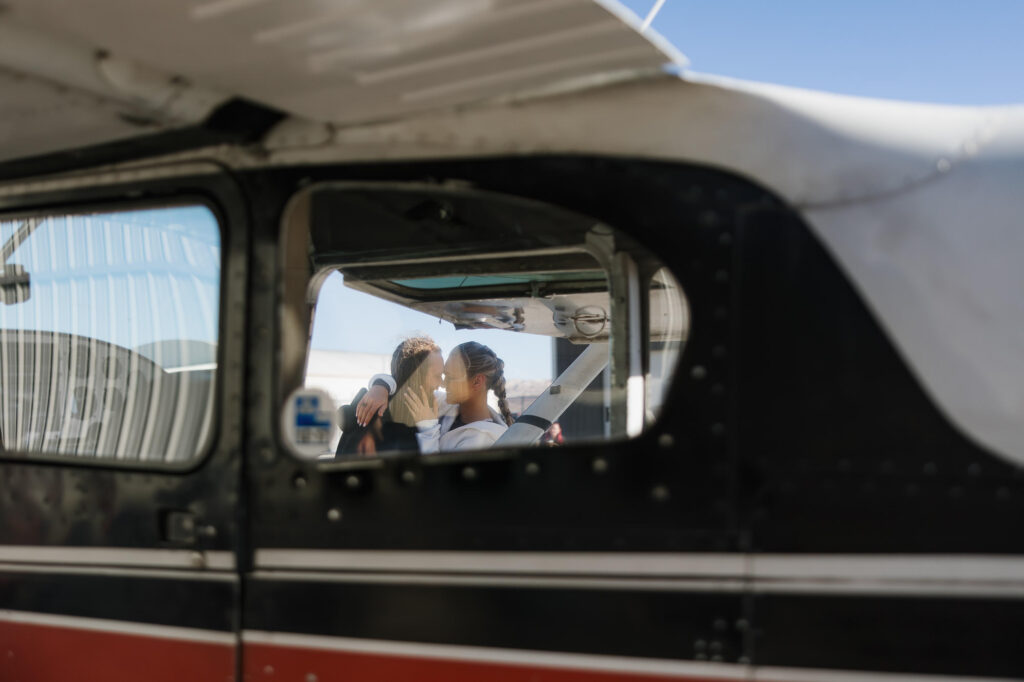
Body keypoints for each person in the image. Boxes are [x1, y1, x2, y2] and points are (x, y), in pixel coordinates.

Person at [357, 341, 513, 453]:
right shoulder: (445, 404)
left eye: (451, 378)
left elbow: (440, 484)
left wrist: (429, 430)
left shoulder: (482, 441)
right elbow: (408, 385)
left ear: (477, 381)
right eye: (443, 375)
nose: (443, 384)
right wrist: (381, 386)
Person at [336, 336, 442, 456]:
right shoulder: (392, 429)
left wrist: (382, 383)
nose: (442, 383)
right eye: (437, 376)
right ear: (416, 378)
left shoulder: (426, 410)